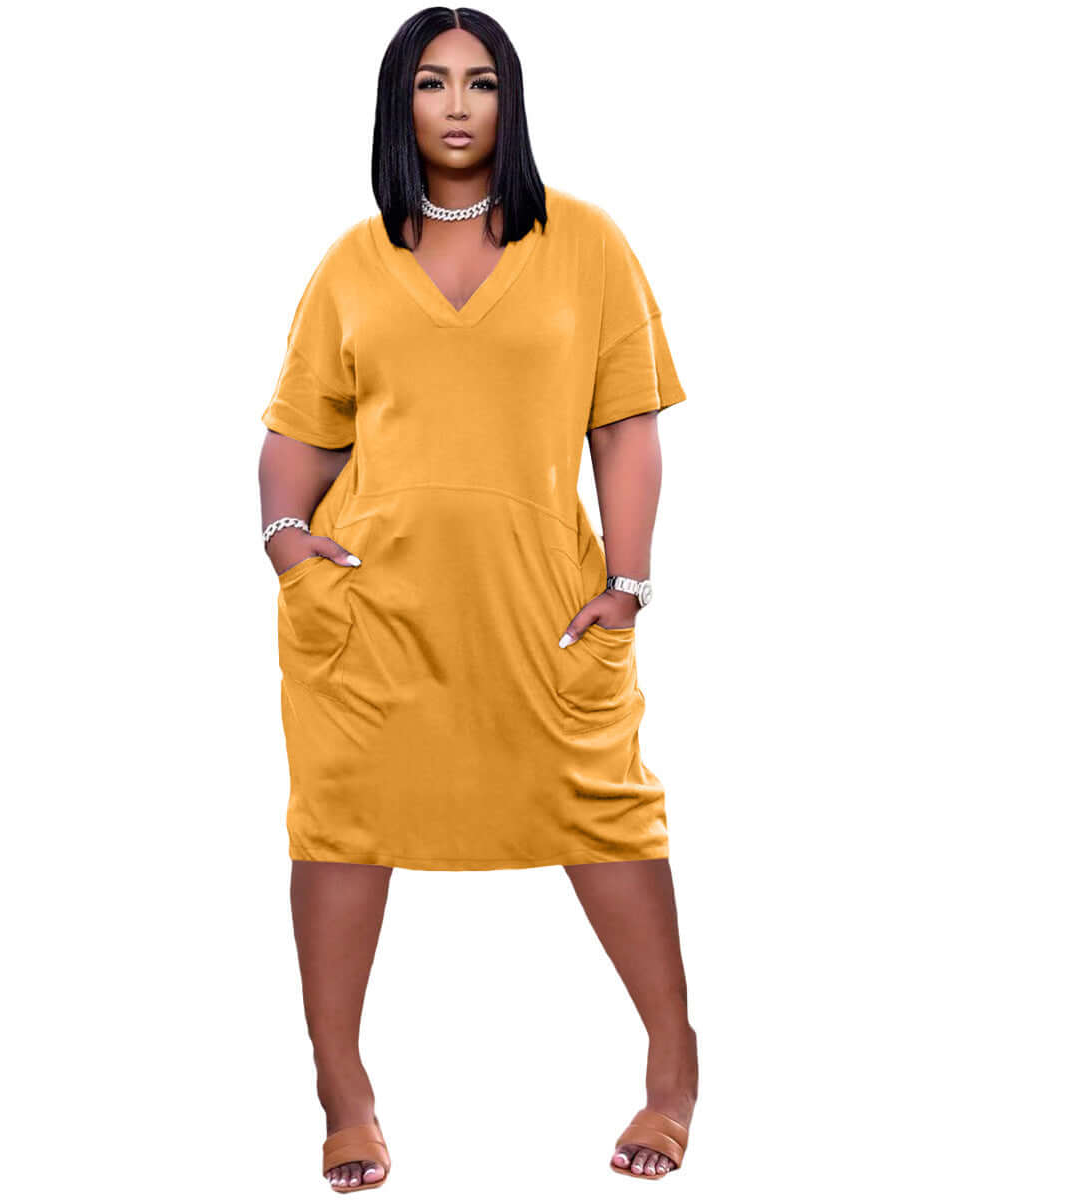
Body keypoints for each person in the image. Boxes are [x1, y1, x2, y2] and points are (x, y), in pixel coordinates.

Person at [257, 9, 698, 1190]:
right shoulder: (351, 264)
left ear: (512, 101)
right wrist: (289, 544)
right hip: (372, 615)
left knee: (605, 812)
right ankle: (344, 1094)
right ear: (398, 103)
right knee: (342, 824)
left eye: (482, 82)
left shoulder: (587, 244)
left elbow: (627, 428)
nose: (457, 105)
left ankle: (672, 1067)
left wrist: (627, 584)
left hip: (540, 605)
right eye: (432, 82)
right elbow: (298, 440)